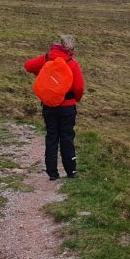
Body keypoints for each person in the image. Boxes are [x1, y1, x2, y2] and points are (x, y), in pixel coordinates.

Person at [24, 34, 85, 180]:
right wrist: (75, 99)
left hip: (49, 105)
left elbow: (28, 66)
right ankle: (71, 171)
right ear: (70, 47)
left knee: (51, 137)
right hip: (68, 107)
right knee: (67, 137)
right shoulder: (72, 63)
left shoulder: (47, 59)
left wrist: (42, 75)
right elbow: (79, 87)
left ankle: (52, 173)